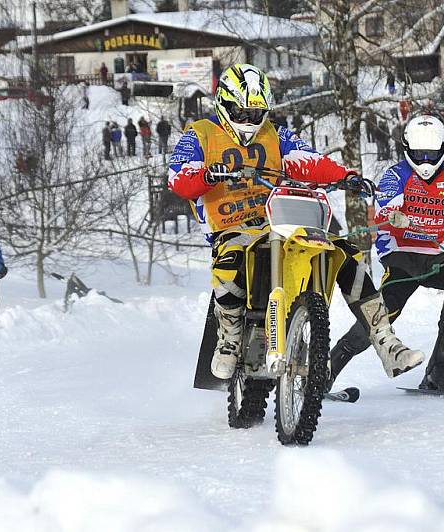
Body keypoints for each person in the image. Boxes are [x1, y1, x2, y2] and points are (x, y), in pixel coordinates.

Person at [168, 63, 422, 381]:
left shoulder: (275, 136)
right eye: (241, 112)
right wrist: (207, 174)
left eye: (255, 113)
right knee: (231, 257)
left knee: (344, 253)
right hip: (231, 226)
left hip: (278, 220)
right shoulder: (200, 135)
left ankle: (386, 341)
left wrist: (346, 176)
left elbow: (309, 160)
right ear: (224, 105)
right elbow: (179, 179)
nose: (248, 121)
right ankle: (230, 336)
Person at [329, 115, 444, 392]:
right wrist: (395, 217)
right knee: (382, 315)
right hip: (401, 254)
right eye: (419, 154)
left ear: (443, 149)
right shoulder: (395, 175)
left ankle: (440, 367)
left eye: (431, 154)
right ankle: (329, 368)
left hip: (437, 253)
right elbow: (385, 211)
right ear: (407, 149)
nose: (425, 162)